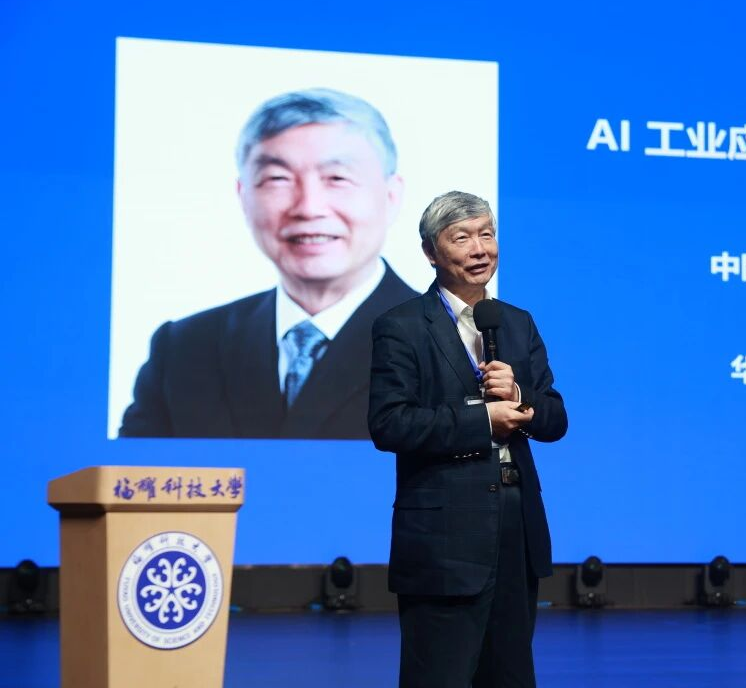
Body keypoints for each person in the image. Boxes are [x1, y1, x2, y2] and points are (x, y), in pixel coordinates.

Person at [119, 89, 417, 439]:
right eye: (278, 179)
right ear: (243, 197)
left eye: (337, 178)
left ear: (391, 196)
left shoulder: (453, 343)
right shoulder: (184, 349)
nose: (308, 207)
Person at [369, 191, 568, 688]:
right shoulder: (402, 327)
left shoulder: (516, 323)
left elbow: (555, 418)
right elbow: (390, 423)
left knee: (511, 675)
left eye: (487, 234)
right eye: (462, 238)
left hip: (516, 525)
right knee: (441, 675)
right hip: (444, 536)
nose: (480, 249)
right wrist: (483, 421)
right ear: (431, 252)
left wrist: (518, 396)